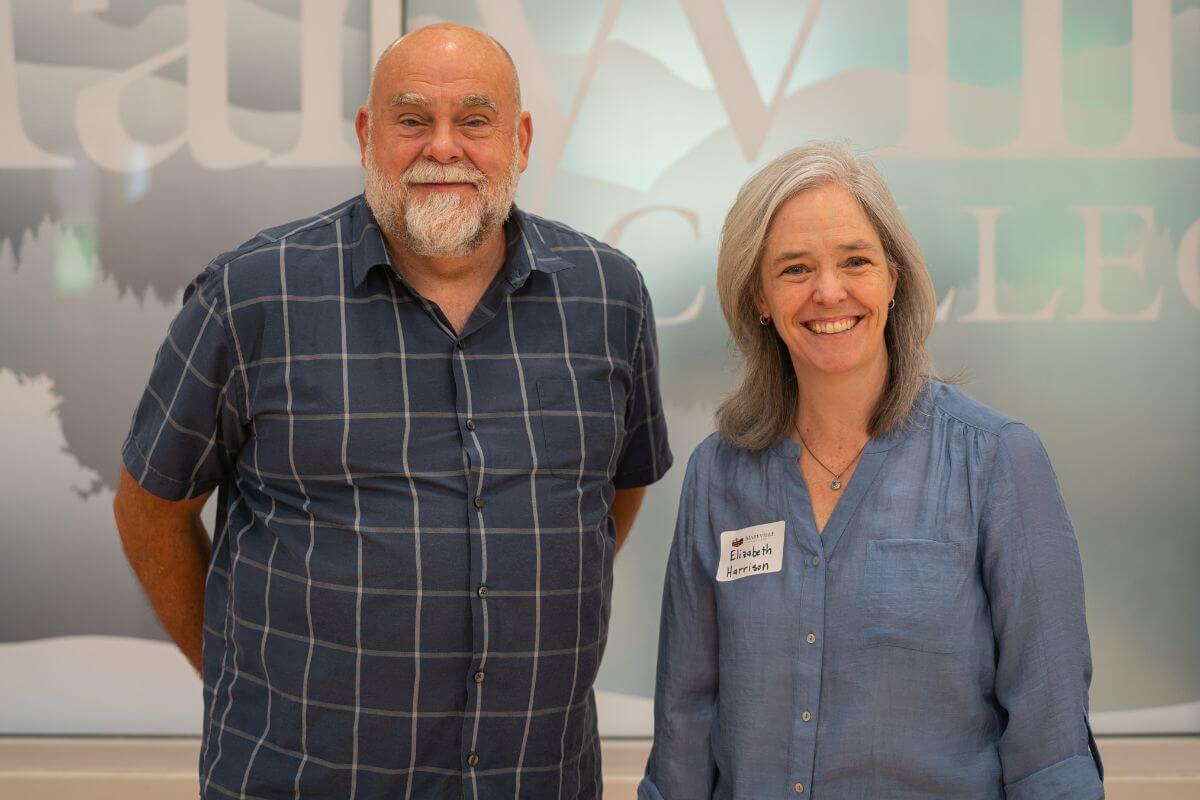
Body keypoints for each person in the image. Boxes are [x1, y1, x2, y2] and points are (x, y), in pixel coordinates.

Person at [113, 24, 671, 800]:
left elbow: (619, 485)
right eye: (413, 120)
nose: (444, 147)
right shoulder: (254, 294)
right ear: (369, 136)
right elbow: (149, 510)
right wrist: (242, 674)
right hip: (305, 779)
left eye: (475, 121)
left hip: (533, 777)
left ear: (522, 140)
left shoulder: (606, 295)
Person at [640, 142, 1103, 799]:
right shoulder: (719, 476)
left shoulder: (998, 462)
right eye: (795, 268)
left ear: (893, 276)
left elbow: (1050, 747)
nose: (829, 292)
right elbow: (684, 733)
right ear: (759, 297)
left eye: (855, 261)